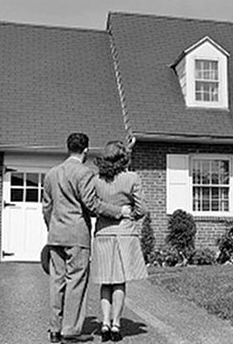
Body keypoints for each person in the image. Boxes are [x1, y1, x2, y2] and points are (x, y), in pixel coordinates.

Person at [42, 133, 126, 344]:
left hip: (55, 235)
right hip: (77, 235)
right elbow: (92, 205)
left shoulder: (52, 173)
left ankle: (55, 328)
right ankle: (70, 331)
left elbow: (46, 207)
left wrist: (52, 227)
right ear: (86, 150)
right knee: (76, 282)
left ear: (68, 148)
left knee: (56, 282)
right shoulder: (84, 173)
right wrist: (119, 211)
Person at [91, 140, 148, 342]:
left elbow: (92, 206)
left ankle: (104, 324)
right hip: (125, 234)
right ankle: (116, 325)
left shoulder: (96, 179)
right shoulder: (132, 177)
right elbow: (142, 210)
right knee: (119, 283)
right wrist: (128, 213)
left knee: (105, 282)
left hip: (103, 233)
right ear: (123, 158)